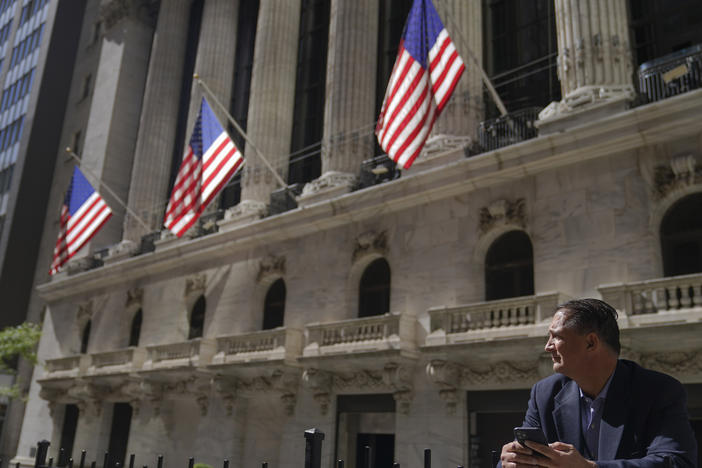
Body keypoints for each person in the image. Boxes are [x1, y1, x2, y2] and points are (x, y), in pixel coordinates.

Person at [499, 298, 698, 467]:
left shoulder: (659, 390)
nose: (547, 346)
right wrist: (510, 461)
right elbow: (522, 455)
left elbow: (676, 461)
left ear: (591, 343)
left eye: (556, 337)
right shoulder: (544, 393)